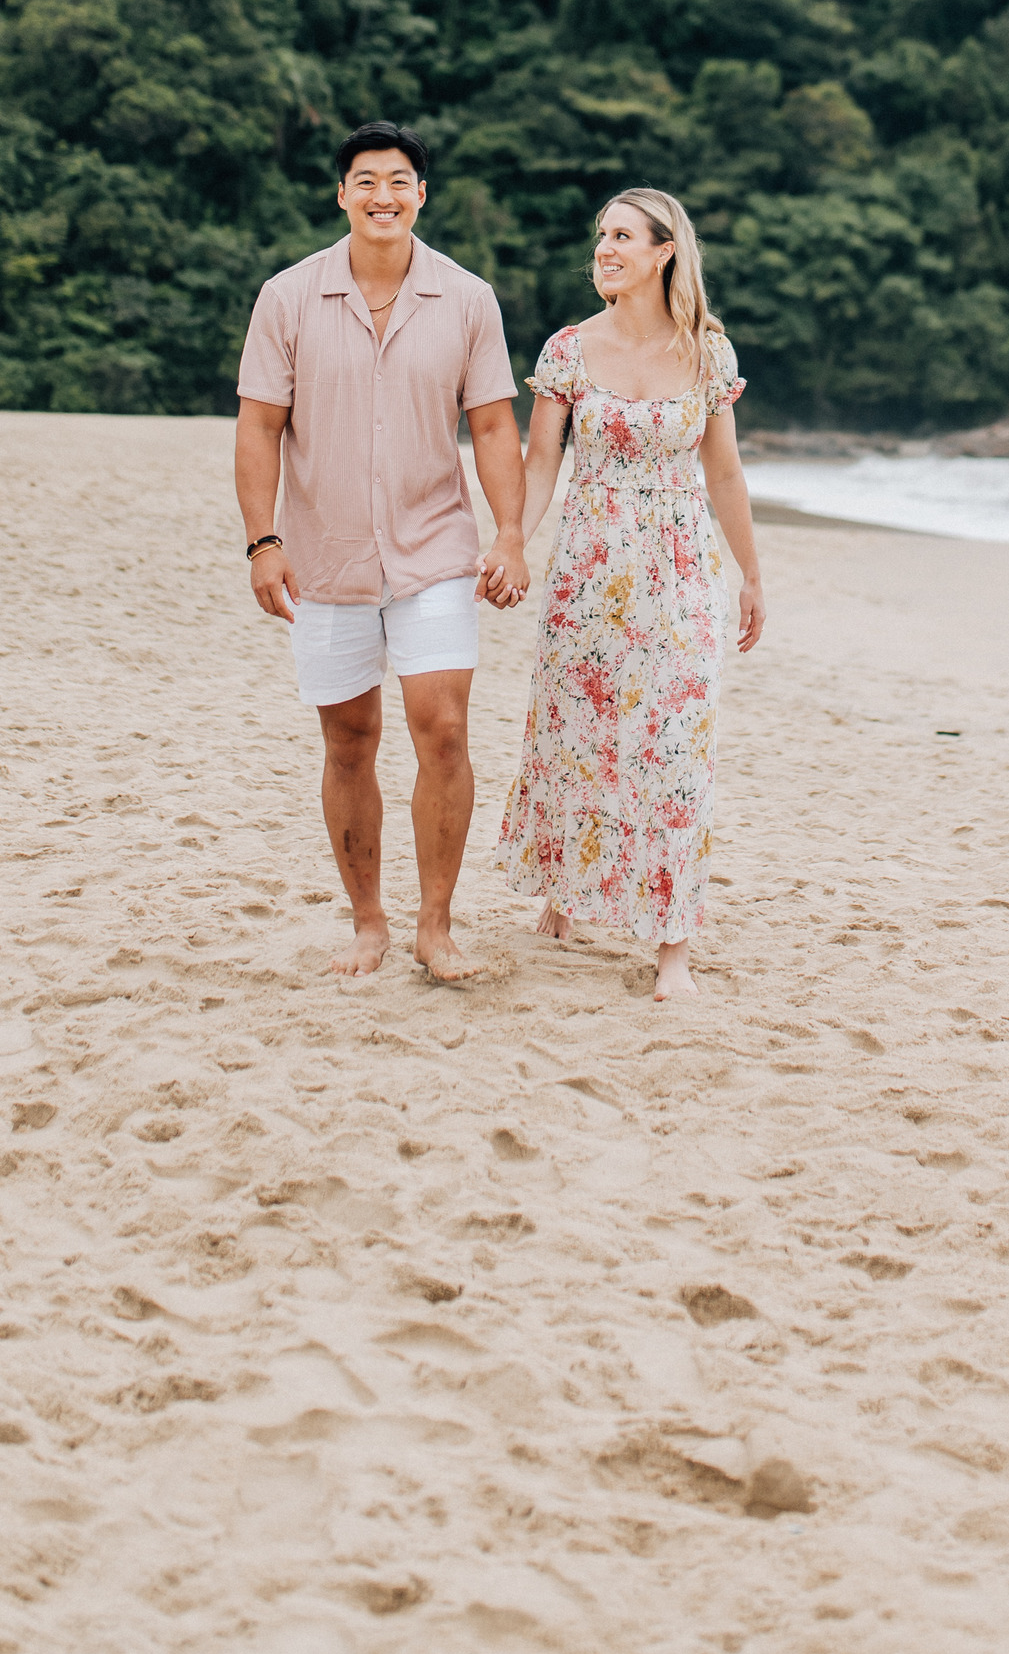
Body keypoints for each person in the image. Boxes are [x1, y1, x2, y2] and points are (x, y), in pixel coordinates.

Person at [234, 122, 529, 983]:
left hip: (434, 548)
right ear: (342, 195)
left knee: (444, 731)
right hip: (324, 556)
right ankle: (369, 924)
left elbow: (493, 426)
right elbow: (259, 426)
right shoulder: (287, 297)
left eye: (399, 181)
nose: (382, 196)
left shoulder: (468, 298)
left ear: (421, 195)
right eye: (365, 181)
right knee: (349, 741)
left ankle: (436, 927)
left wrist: (510, 533)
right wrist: (263, 542)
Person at [495, 187, 764, 1001]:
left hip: (680, 574)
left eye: (622, 236)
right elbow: (541, 462)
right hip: (588, 568)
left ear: (663, 252)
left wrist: (752, 575)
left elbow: (724, 473)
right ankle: (565, 892)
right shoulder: (569, 350)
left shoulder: (708, 354)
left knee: (676, 751)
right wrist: (511, 540)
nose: (605, 249)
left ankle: (673, 945)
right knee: (577, 733)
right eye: (601, 235)